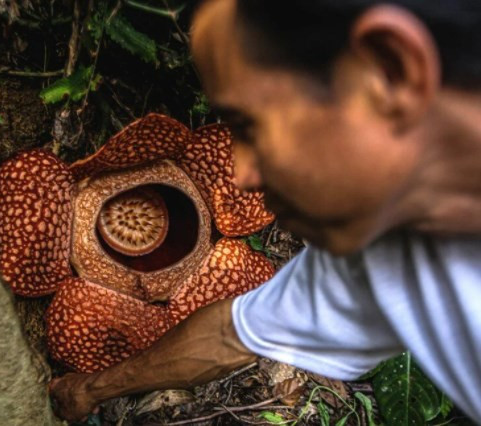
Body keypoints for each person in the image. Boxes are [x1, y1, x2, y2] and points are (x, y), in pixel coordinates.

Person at [50, 0, 481, 421]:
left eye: (251, 124)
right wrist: (89, 389)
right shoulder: (382, 255)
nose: (243, 173)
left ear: (391, 70)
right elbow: (228, 337)